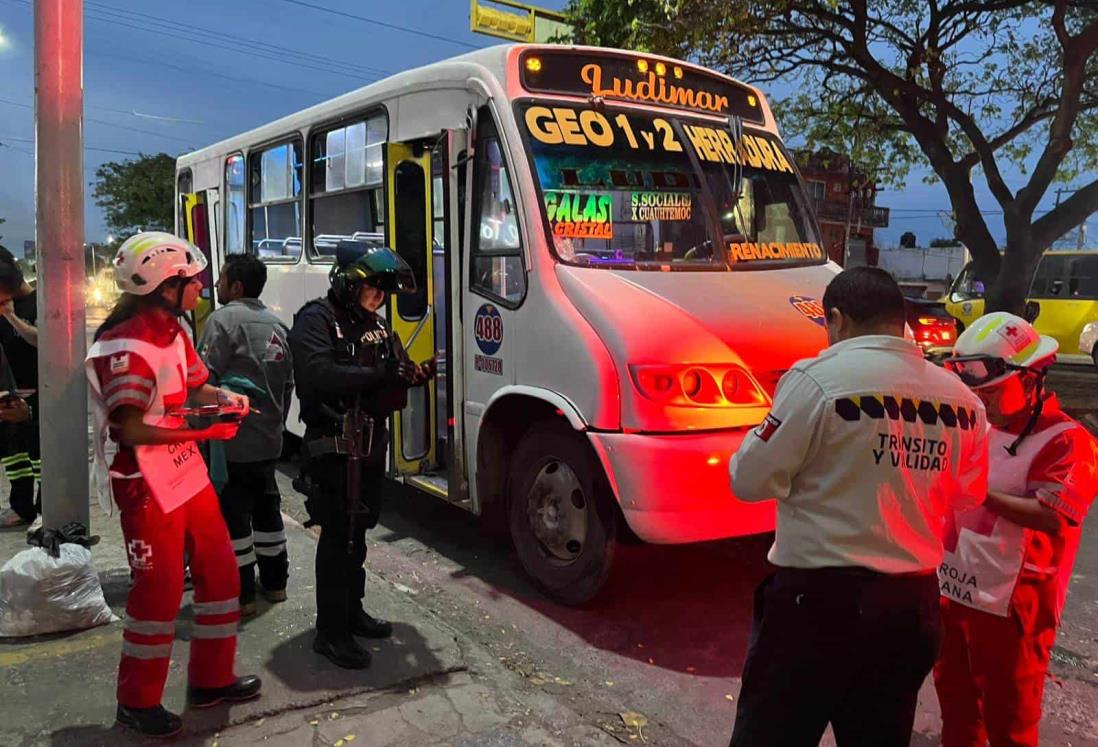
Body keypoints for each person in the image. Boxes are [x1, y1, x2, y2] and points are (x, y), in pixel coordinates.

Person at [726, 266, 989, 746]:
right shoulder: (964, 402)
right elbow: (968, 495)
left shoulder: (816, 379)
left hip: (818, 606)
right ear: (900, 318)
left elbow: (748, 479)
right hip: (912, 608)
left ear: (838, 320)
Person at [85, 232, 261, 737]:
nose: (202, 287)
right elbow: (128, 425)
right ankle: (136, 702)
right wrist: (203, 429)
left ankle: (211, 679)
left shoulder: (174, 330)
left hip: (183, 470)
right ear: (166, 286)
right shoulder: (126, 346)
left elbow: (191, 381)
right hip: (143, 481)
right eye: (192, 280)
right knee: (158, 593)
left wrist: (223, 396)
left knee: (222, 574)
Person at [936, 312, 1098, 746]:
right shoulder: (977, 425)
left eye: (990, 391)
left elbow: (1052, 515)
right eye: (975, 390)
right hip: (955, 592)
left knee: (1010, 722)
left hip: (1015, 609)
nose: (979, 400)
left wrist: (977, 492)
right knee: (955, 706)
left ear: (1030, 380)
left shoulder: (1069, 441)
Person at [288, 239, 432, 670]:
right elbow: (318, 372)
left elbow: (395, 366)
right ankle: (330, 632)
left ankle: (353, 612)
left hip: (369, 446)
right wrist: (378, 375)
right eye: (373, 287)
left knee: (359, 533)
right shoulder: (317, 320)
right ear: (349, 283)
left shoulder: (377, 324)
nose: (380, 297)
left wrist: (412, 374)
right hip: (334, 447)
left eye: (384, 290)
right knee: (337, 536)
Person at [198, 253, 294, 618]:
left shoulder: (221, 322)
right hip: (269, 440)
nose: (217, 285)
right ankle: (275, 584)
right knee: (269, 512)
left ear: (236, 285)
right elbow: (288, 386)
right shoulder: (277, 325)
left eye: (221, 279)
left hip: (230, 442)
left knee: (234, 517)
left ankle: (242, 595)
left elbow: (202, 380)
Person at [0, 249, 40, 529]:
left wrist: (11, 316)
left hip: (42, 390)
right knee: (14, 453)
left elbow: (44, 341)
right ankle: (21, 507)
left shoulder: (40, 301)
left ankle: (45, 509)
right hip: (12, 393)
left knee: (40, 454)